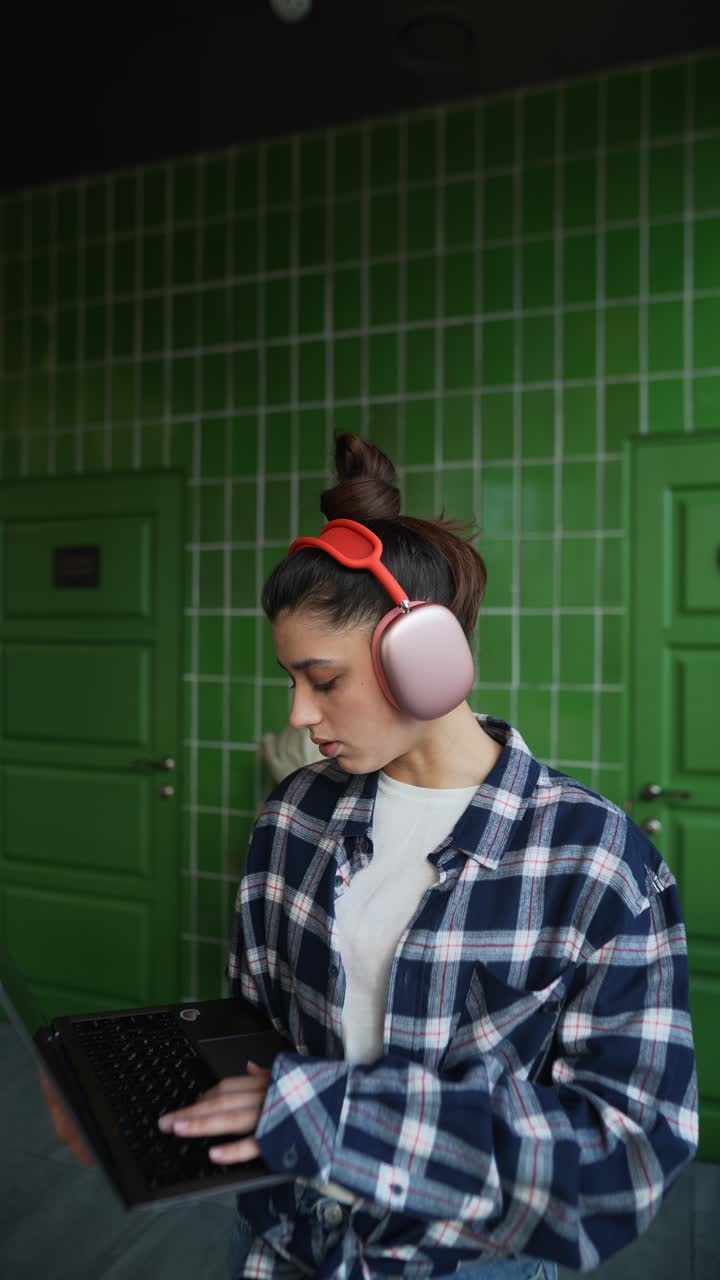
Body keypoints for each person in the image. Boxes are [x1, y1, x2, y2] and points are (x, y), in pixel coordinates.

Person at [47, 433, 698, 1280]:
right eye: (291, 680)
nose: (298, 717)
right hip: (285, 1239)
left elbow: (624, 1160)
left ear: (424, 661)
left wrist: (327, 1114)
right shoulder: (292, 817)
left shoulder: (597, 861)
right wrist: (143, 1098)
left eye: (323, 680)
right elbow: (262, 1034)